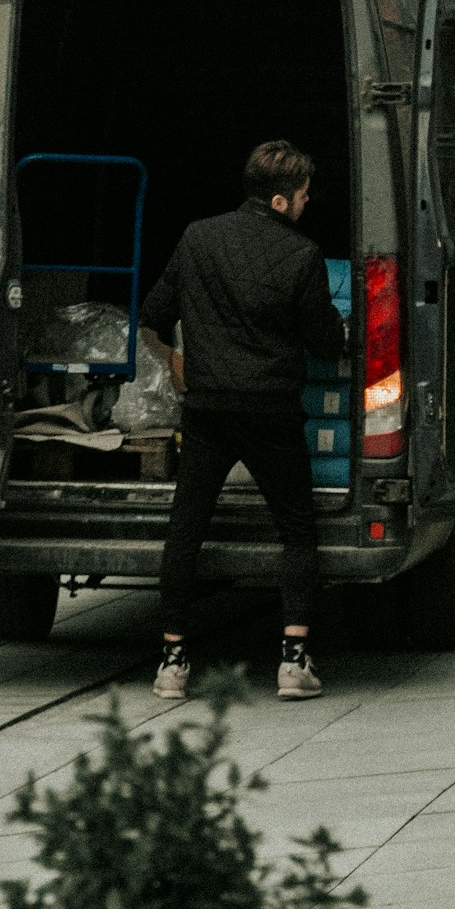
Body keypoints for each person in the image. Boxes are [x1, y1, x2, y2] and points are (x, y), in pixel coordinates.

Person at [138, 137, 347, 703]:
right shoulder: (303, 257)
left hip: (206, 410)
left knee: (186, 528)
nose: (307, 204)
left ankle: (173, 662)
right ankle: (293, 663)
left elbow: (153, 316)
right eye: (303, 195)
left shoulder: (197, 238)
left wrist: (177, 362)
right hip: (272, 412)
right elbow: (326, 343)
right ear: (281, 200)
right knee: (297, 530)